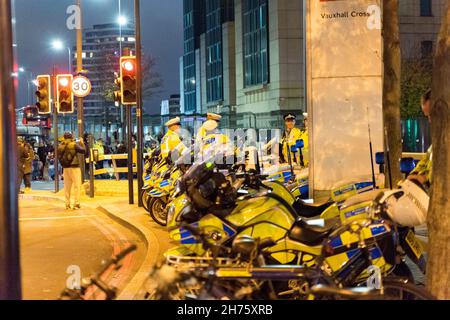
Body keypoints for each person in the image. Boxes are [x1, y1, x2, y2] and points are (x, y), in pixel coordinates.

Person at [408, 89, 432, 188]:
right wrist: (415, 173)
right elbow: (426, 159)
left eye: (432, 115)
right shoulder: (438, 141)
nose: (430, 120)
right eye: (428, 116)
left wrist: (426, 178)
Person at [58, 132, 86, 210]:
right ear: (71, 137)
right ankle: (76, 203)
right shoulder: (74, 144)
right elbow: (83, 151)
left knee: (67, 187)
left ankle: (67, 204)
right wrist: (82, 143)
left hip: (65, 168)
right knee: (77, 186)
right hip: (74, 167)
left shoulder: (60, 146)